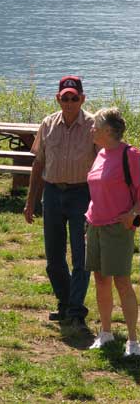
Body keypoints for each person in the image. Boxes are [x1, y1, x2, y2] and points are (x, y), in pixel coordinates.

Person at [24, 76, 95, 329]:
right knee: (54, 258)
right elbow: (38, 163)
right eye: (64, 98)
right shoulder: (48, 124)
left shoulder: (94, 126)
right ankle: (64, 303)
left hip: (81, 195)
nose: (69, 102)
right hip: (52, 193)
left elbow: (102, 166)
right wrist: (30, 201)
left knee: (81, 256)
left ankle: (76, 310)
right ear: (58, 98)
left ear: (82, 99)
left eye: (74, 98)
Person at [86, 108, 140, 356]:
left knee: (122, 282)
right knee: (100, 280)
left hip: (118, 228)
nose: (91, 129)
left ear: (108, 130)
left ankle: (132, 341)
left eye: (95, 125)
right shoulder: (100, 154)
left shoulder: (130, 155)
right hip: (95, 225)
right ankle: (106, 333)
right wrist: (90, 221)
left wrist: (133, 215)